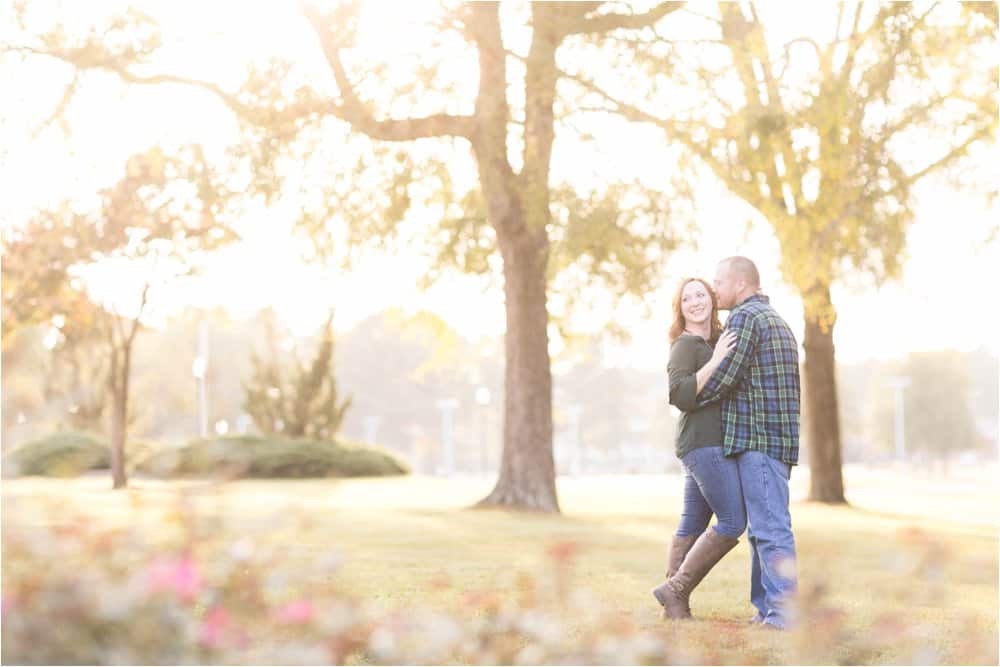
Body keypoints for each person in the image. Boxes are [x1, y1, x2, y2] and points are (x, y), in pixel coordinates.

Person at [691, 256, 801, 630]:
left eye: (718, 281)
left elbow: (724, 377)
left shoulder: (745, 318)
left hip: (759, 442)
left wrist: (688, 398)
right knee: (761, 531)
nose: (713, 288)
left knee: (770, 530)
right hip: (776, 442)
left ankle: (783, 617)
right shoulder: (775, 318)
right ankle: (766, 609)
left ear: (740, 284)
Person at [651, 277, 744, 620]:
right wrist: (717, 359)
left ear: (712, 299)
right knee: (733, 521)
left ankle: (673, 607)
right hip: (701, 444)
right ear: (681, 308)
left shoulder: (718, 338)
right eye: (687, 298)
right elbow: (680, 396)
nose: (695, 302)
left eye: (700, 294)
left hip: (709, 444)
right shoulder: (686, 345)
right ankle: (675, 589)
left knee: (692, 523)